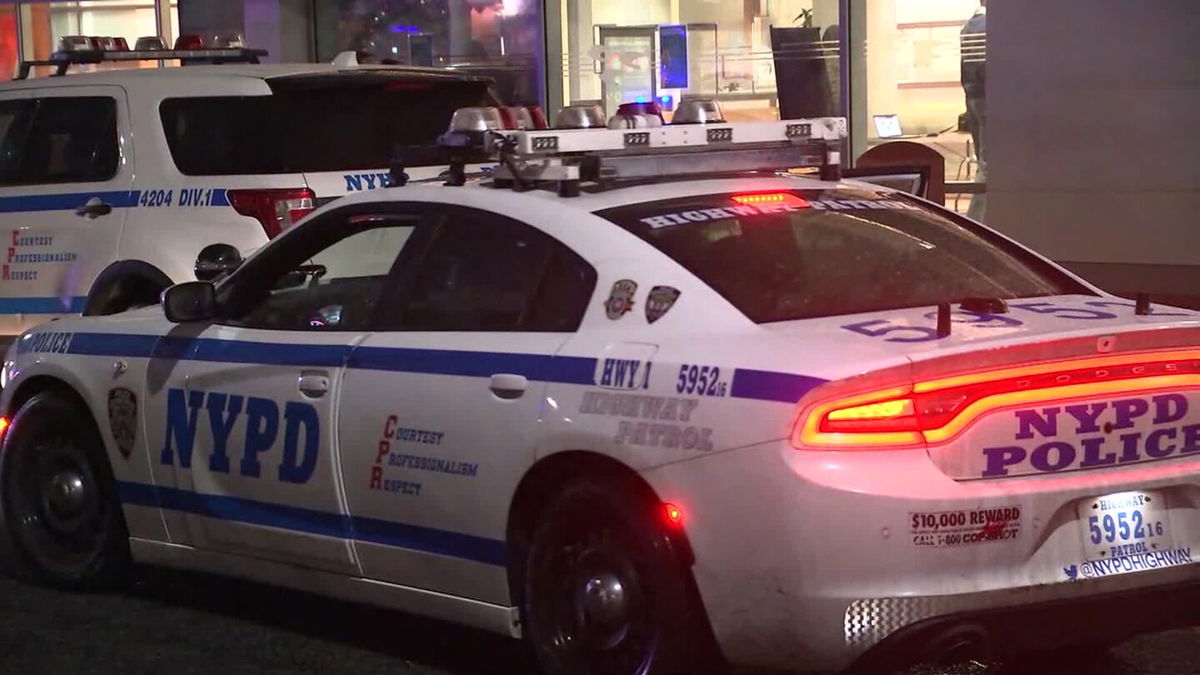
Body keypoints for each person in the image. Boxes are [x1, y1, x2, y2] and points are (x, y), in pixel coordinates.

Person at [961, 0, 987, 220]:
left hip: (974, 98)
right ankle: (977, 223)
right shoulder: (990, 24)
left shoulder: (970, 26)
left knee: (984, 162)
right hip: (990, 100)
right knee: (990, 167)